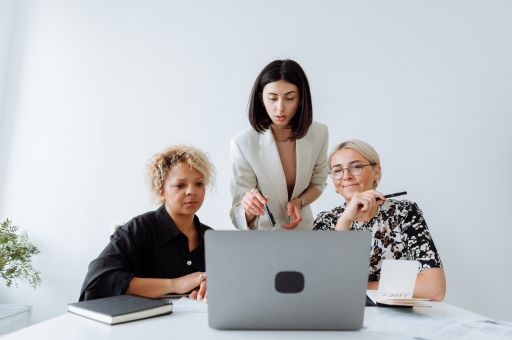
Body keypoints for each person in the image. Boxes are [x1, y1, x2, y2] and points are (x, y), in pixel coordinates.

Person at [313, 139, 446, 301]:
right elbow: (320, 285)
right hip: (343, 312)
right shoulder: (326, 220)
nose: (346, 176)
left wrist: (354, 286)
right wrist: (345, 221)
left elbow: (434, 288)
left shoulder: (404, 212)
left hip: (398, 316)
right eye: (337, 170)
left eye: (356, 167)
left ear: (376, 171)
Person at [79, 145, 215, 301]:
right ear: (161, 190)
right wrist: (175, 284)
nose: (192, 191)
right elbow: (99, 280)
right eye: (180, 185)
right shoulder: (138, 229)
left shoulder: (212, 237)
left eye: (199, 183)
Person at [230, 59, 329, 230]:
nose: (280, 108)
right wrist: (250, 207)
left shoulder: (319, 133)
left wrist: (300, 201)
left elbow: (318, 183)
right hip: (265, 238)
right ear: (261, 98)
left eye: (289, 98)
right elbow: (237, 215)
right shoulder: (243, 144)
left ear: (300, 99)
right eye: (272, 98)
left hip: (303, 231)